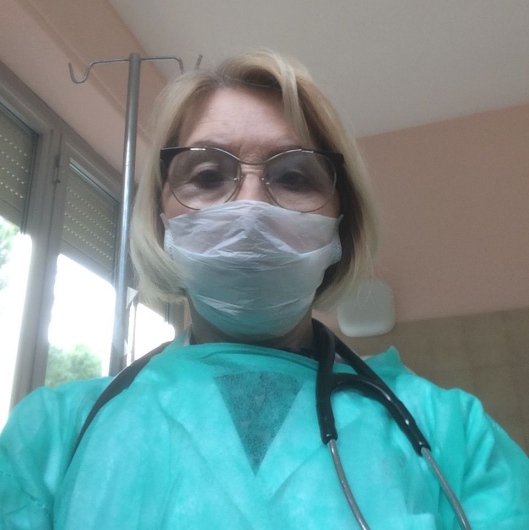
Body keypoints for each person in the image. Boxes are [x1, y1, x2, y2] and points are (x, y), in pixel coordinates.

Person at [1, 50, 528, 529]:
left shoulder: (454, 434)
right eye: (208, 176)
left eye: (294, 177)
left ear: (341, 228)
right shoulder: (51, 436)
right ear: (160, 219)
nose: (250, 208)